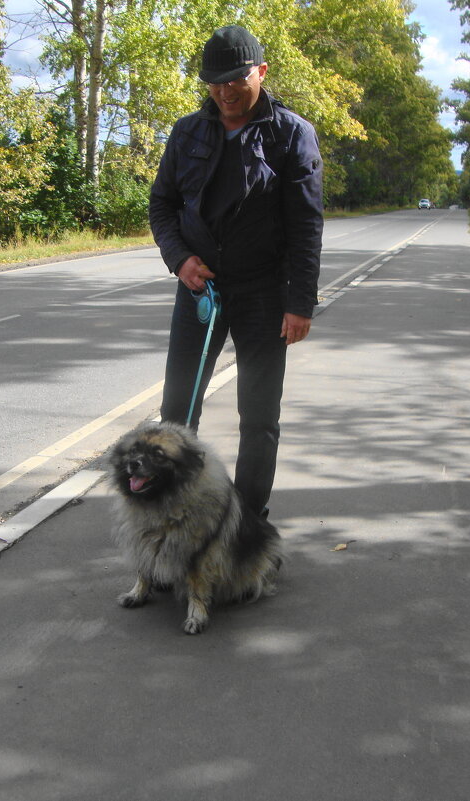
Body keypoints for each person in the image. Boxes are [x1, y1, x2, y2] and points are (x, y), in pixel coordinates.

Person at [148, 24, 324, 517]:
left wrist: (299, 303)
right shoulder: (187, 132)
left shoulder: (292, 134)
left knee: (260, 417)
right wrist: (180, 259)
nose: (225, 89)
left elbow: (305, 226)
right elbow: (162, 205)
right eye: (215, 80)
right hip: (200, 291)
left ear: (260, 73)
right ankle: (173, 520)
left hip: (265, 294)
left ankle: (245, 527)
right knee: (178, 411)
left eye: (236, 78)